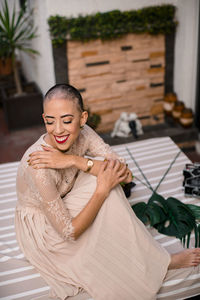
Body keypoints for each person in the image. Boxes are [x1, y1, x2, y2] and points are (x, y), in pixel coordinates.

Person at [15, 84, 200, 300]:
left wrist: (73, 160)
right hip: (45, 229)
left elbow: (126, 175)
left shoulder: (84, 134)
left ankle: (157, 260)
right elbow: (69, 232)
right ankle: (160, 262)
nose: (58, 130)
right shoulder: (39, 166)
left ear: (83, 118)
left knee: (106, 170)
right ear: (44, 118)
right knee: (104, 182)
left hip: (66, 198)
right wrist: (101, 190)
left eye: (67, 120)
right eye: (50, 121)